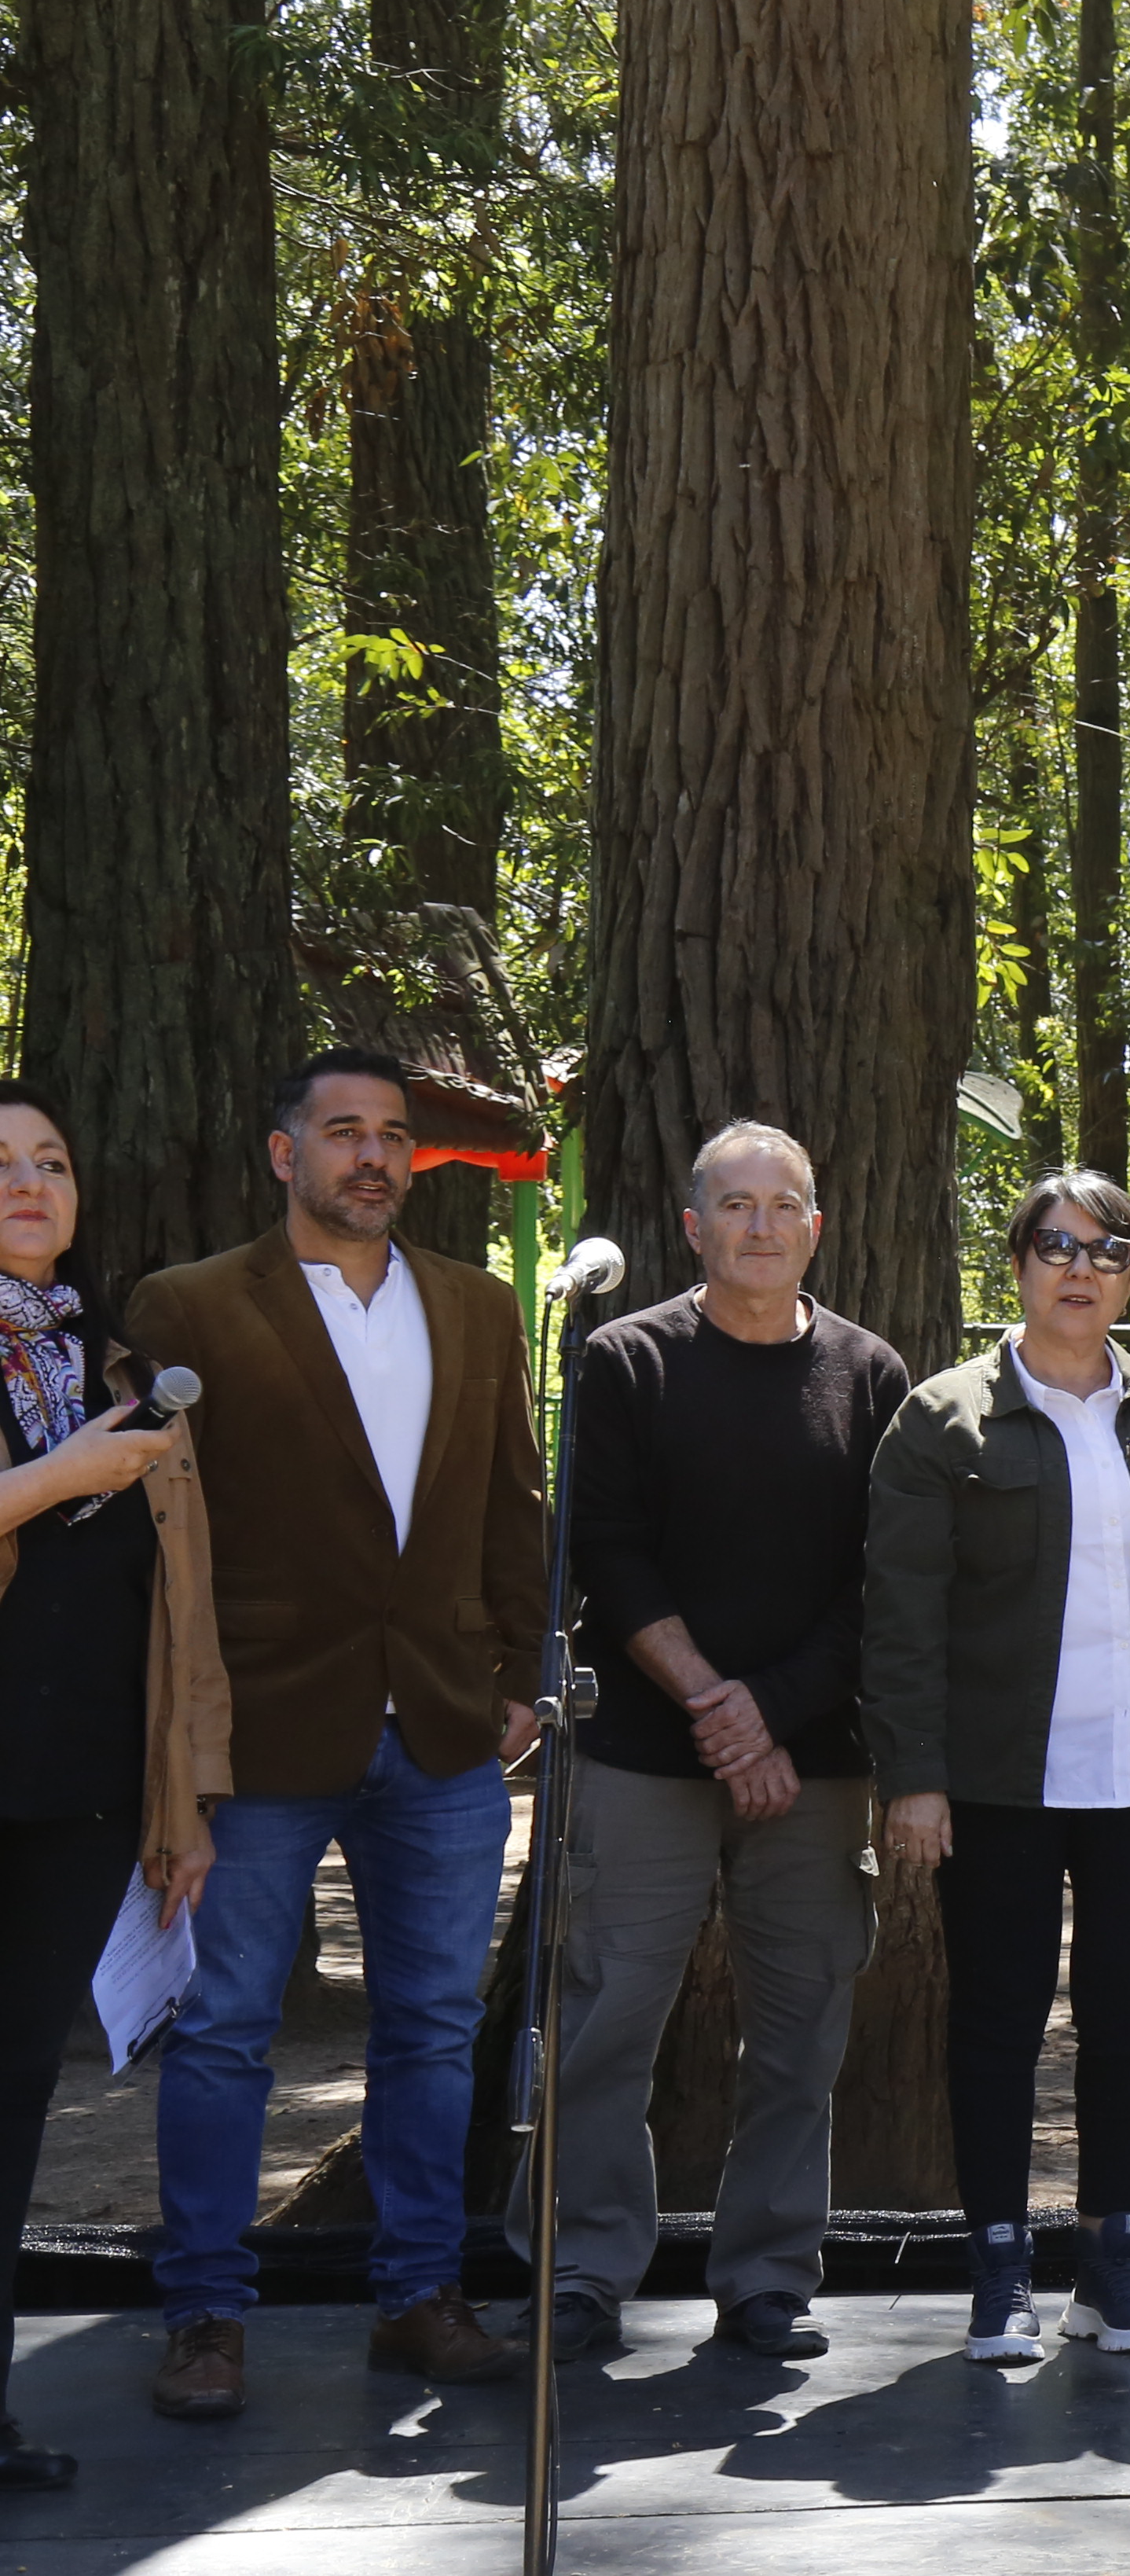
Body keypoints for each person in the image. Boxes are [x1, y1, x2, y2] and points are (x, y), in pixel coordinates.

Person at [128, 1049, 545, 2420]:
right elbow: (166, 1537)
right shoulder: (186, 1306)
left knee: (429, 2028)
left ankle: (421, 2295)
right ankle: (203, 2312)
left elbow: (508, 1504)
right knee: (226, 2026)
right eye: (342, 1130)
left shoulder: (481, 1310)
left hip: (439, 1729)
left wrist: (520, 1675)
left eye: (392, 1136)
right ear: (281, 1152)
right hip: (255, 1730)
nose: (371, 1154)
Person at [504, 1123, 912, 2365]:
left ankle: (769, 2277)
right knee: (609, 2018)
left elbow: (880, 1583)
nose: (757, 1225)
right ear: (692, 1227)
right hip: (642, 1751)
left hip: (813, 1757)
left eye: (781, 1203)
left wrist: (766, 1715)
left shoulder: (868, 1373)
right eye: (732, 1205)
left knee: (802, 2030)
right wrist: (713, 1706)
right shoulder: (627, 1361)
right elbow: (608, 1554)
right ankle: (580, 2268)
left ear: (815, 1226)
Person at [868, 1170, 1130, 2366]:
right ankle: (1000, 2274)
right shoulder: (941, 1417)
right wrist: (911, 1775)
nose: (1083, 1269)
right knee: (999, 2021)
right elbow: (901, 1616)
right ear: (1017, 1261)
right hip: (995, 1783)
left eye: (1110, 1251)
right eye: (1059, 1246)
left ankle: (1112, 2269)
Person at [0, 1083, 226, 2484]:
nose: (30, 1182)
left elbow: (178, 1601)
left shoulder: (114, 1363)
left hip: (78, 1784)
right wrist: (57, 1474)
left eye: (52, 1161)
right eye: (1, 1164)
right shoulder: (82, 1416)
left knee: (19, 2089)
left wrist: (179, 1792)